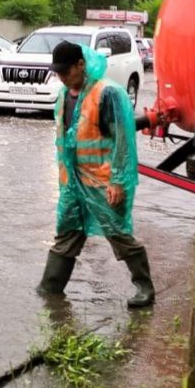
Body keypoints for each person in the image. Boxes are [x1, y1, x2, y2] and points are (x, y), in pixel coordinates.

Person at [36, 40, 155, 307]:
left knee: (118, 233)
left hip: (103, 181)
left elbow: (123, 140)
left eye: (66, 72)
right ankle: (50, 289)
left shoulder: (108, 94)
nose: (62, 78)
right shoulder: (64, 96)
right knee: (67, 232)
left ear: (81, 64)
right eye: (58, 73)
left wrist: (118, 181)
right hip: (73, 182)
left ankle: (145, 288)